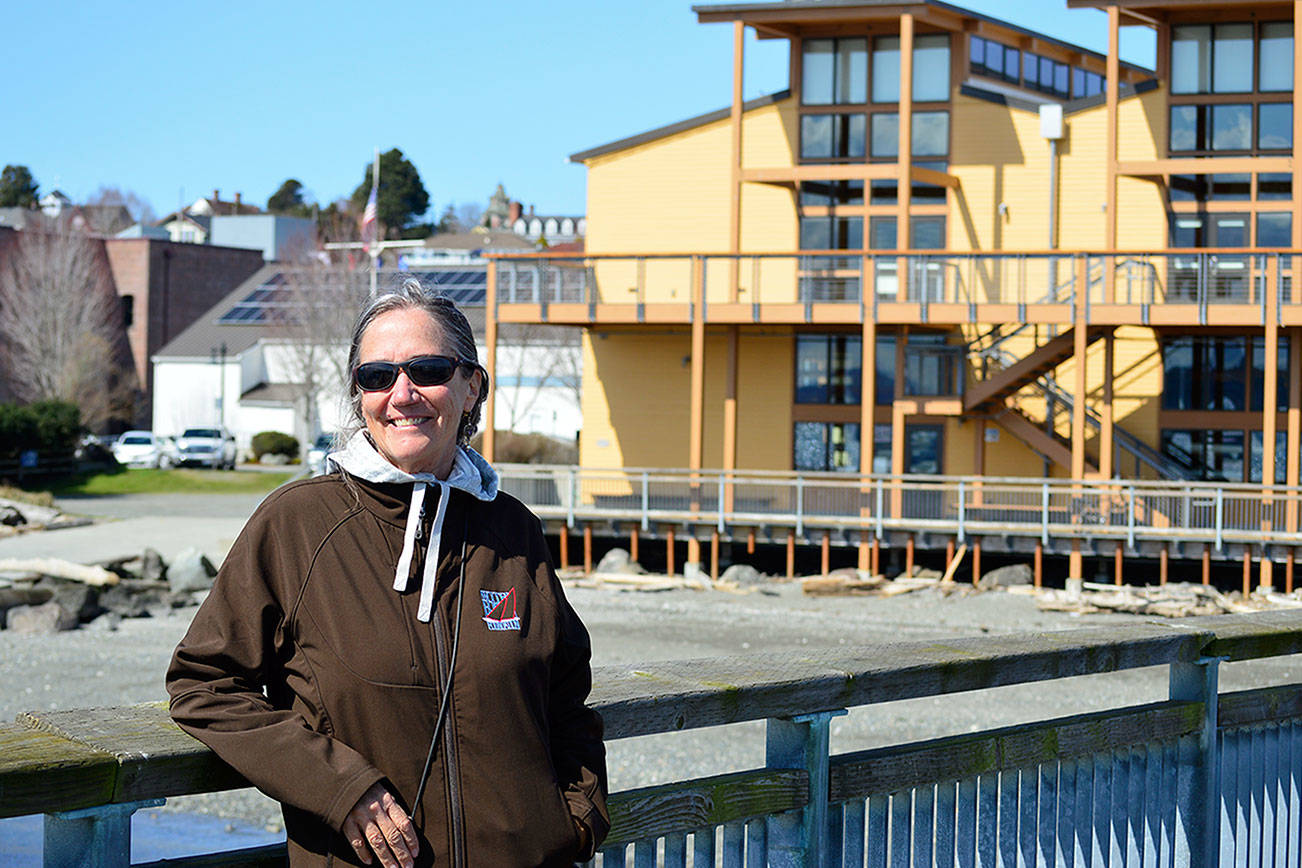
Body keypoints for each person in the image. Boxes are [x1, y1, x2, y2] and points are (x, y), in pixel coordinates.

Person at [167, 279, 608, 868]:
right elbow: (204, 685)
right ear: (359, 397)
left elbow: (564, 693)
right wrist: (337, 786)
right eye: (376, 377)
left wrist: (578, 817)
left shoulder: (513, 529)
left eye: (427, 369)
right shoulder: (298, 523)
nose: (402, 394)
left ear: (471, 386)